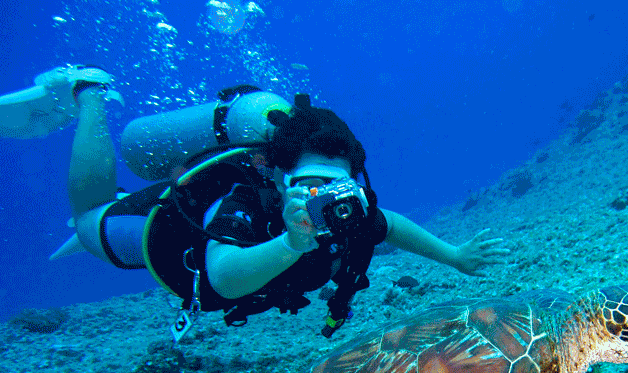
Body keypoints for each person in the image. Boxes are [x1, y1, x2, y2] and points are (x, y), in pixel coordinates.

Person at [1, 66, 508, 338]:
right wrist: (290, 243)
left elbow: (390, 225)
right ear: (273, 172)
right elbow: (222, 276)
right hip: (164, 234)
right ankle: (88, 93)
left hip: (233, 239)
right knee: (88, 220)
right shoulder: (245, 199)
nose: (323, 198)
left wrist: (455, 256)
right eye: (307, 184)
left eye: (337, 185)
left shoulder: (345, 210)